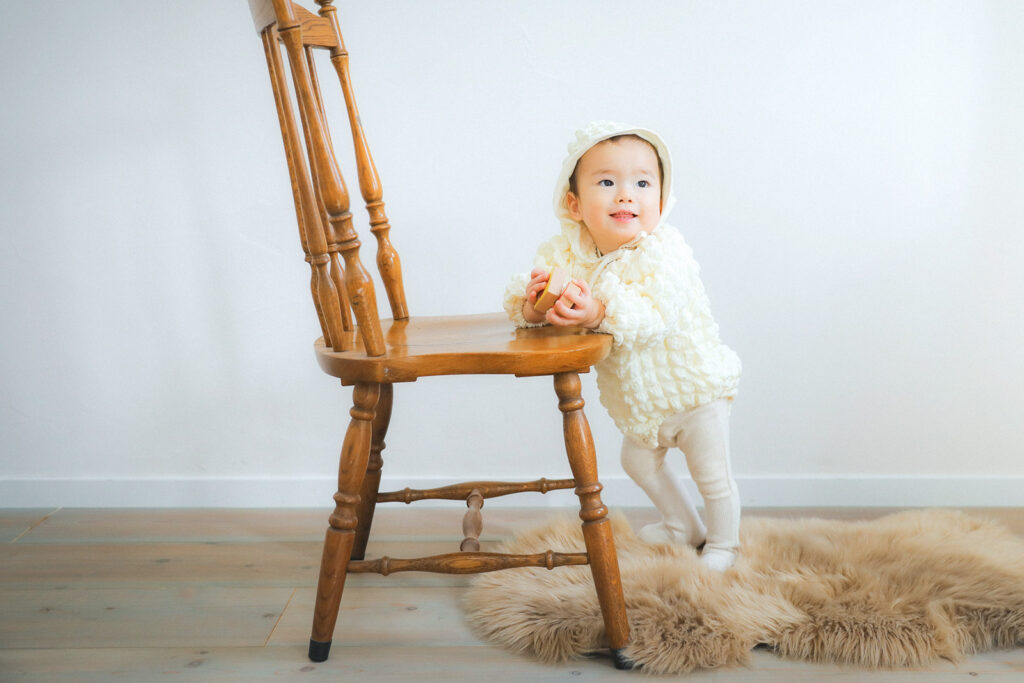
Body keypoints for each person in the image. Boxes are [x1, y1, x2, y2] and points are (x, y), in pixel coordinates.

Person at [503, 121, 743, 571]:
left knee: (713, 477)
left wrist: (598, 312)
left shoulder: (665, 251)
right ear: (574, 204)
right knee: (637, 461)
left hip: (695, 391)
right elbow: (531, 288)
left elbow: (653, 317)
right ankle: (683, 526)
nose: (625, 195)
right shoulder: (570, 253)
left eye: (642, 184)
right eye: (607, 182)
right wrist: (533, 305)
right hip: (643, 405)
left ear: (661, 200)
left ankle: (725, 545)